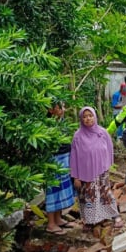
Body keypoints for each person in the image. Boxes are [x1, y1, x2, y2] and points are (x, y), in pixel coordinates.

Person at [71, 107, 123, 229]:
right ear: (81, 119)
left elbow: (109, 150)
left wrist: (107, 165)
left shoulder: (102, 132)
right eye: (85, 116)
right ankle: (90, 220)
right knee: (88, 196)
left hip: (101, 171)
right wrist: (76, 177)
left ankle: (114, 215)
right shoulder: (78, 136)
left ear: (94, 116)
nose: (88, 118)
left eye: (90, 115)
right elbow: (74, 157)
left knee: (105, 193)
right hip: (85, 173)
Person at [45, 101, 76, 235]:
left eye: (63, 106)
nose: (63, 109)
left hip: (64, 157)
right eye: (60, 107)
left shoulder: (62, 121)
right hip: (54, 160)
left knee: (61, 188)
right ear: (51, 110)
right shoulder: (48, 123)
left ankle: (58, 218)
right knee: (53, 190)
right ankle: (51, 224)